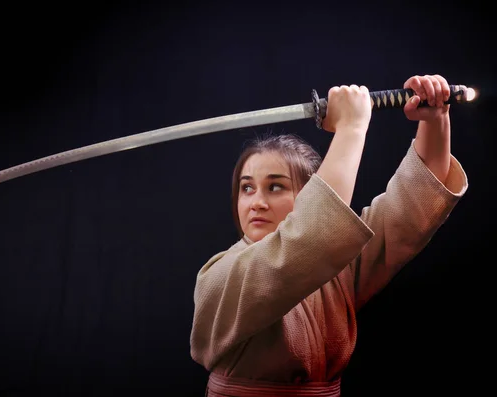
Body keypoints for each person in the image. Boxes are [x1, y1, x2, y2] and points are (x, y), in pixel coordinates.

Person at [189, 74, 469, 396]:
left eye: (275, 186)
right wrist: (351, 128)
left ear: (310, 194)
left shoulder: (338, 267)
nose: (257, 202)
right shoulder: (219, 278)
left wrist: (435, 119)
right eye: (247, 188)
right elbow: (310, 238)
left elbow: (411, 211)